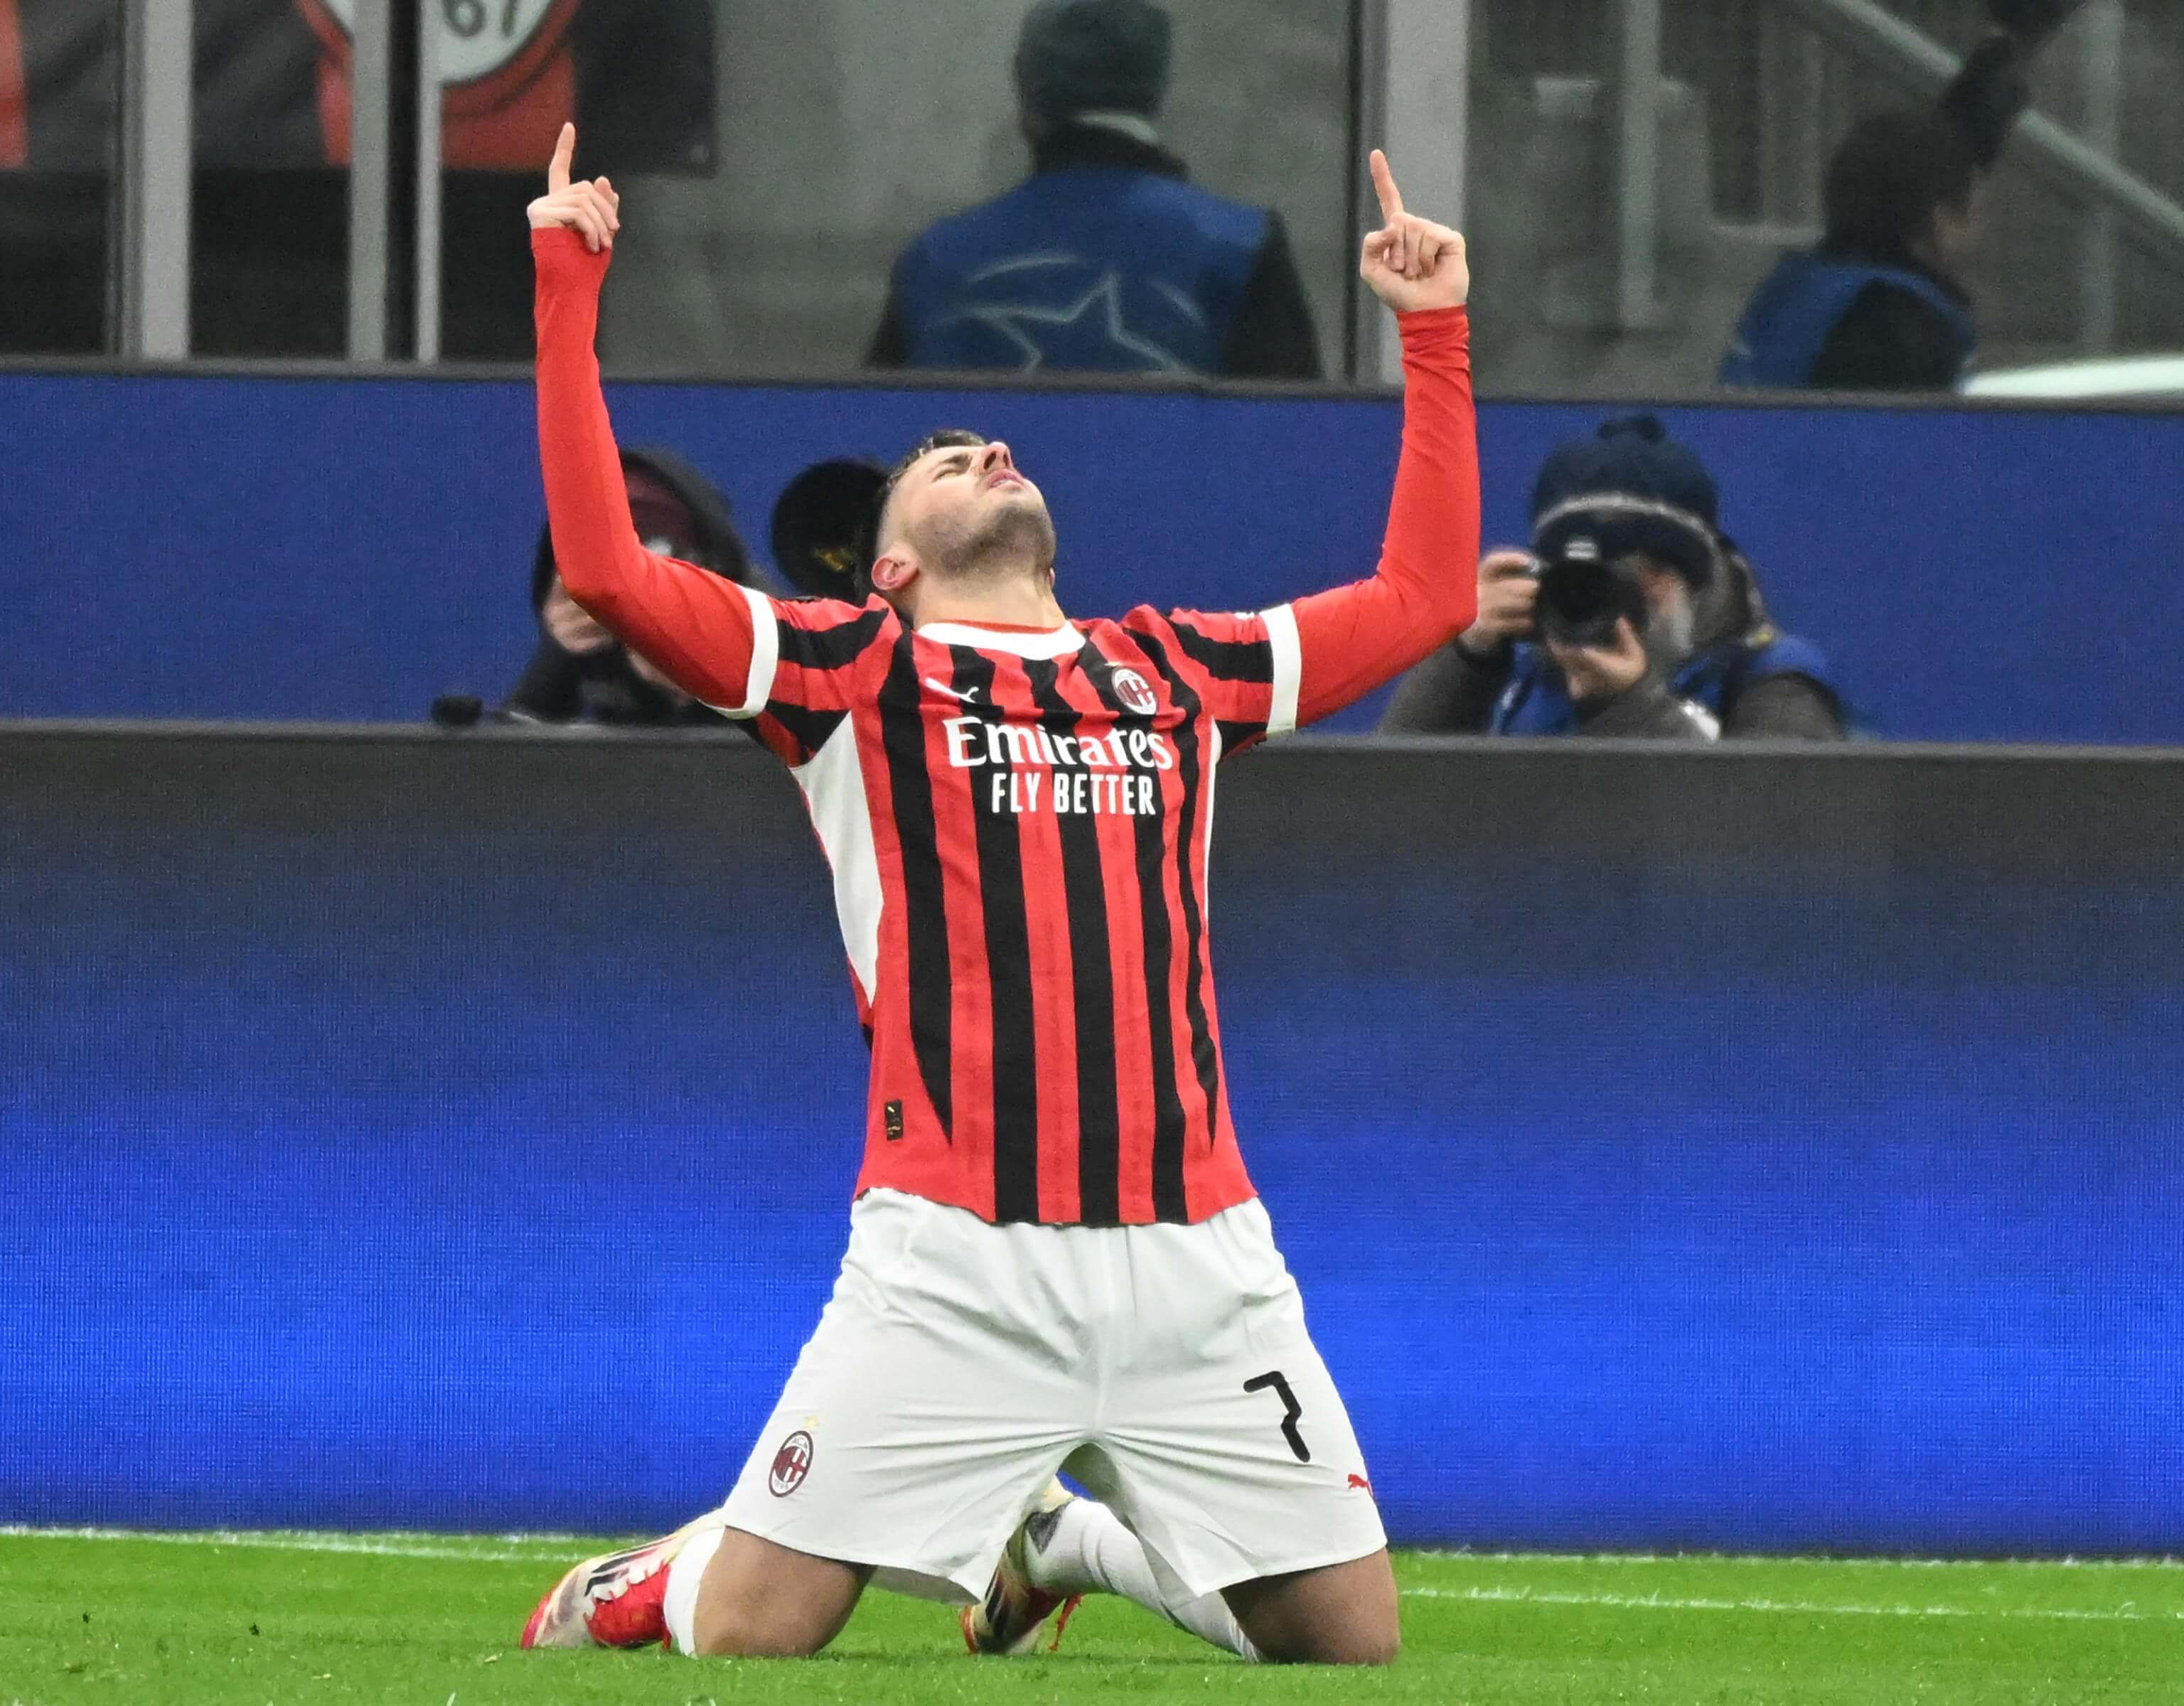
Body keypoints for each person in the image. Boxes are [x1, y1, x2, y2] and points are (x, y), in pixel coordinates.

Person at [517, 124, 1475, 1663]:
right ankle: (642, 1583)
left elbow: (1426, 597)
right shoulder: (851, 673)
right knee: (758, 1634)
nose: (986, 453)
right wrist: (568, 284)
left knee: (1347, 1646)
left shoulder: (1176, 667)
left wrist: (1434, 334)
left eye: (993, 449)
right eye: (939, 465)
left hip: (1198, 1255)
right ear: (887, 568)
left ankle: (1059, 1538)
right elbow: (611, 571)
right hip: (957, 1256)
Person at [867, 0, 1320, 380]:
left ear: (1026, 88)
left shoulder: (936, 261)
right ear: (1157, 85)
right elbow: (1295, 440)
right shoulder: (1239, 247)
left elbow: (878, 443)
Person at [1381, 416, 1844, 741]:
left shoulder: (1771, 682)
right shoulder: (1519, 673)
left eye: (1639, 574)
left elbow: (1770, 837)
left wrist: (1630, 706)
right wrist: (1466, 657)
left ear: (1694, 582)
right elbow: (1385, 807)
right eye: (1583, 577)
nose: (1609, 600)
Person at [1720, 0, 2087, 390]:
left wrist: (2008, 47)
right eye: (1976, 213)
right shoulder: (1900, 333)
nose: (1982, 230)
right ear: (1941, 222)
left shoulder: (1811, 287)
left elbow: (1935, 159)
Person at [496, 446, 754, 726]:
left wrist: (704, 690)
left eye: (657, 548)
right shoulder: (584, 629)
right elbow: (510, 744)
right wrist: (561, 651)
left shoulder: (760, 627)